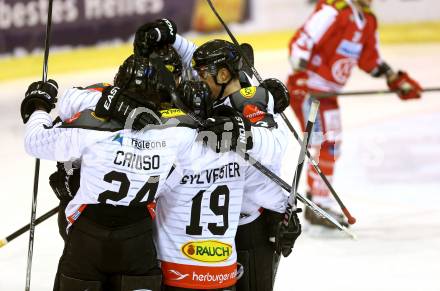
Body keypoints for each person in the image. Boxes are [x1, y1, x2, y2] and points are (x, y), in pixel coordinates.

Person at [21, 54, 255, 291]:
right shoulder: (175, 134)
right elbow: (196, 161)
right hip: (138, 242)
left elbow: (35, 140)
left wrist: (38, 107)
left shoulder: (90, 127)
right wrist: (242, 121)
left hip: (87, 238)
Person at [133, 19, 301, 291]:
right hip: (222, 228)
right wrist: (171, 36)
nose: (195, 78)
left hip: (249, 224)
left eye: (202, 75)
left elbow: (277, 143)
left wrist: (243, 133)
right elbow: (196, 57)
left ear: (223, 75)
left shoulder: (247, 102)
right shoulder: (221, 88)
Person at [286, 0, 422, 230]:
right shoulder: (332, 10)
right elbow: (301, 42)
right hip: (308, 89)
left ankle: (319, 199)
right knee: (322, 142)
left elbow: (371, 60)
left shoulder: (367, 20)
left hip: (327, 93)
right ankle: (318, 202)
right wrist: (299, 76)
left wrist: (394, 79)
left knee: (332, 144)